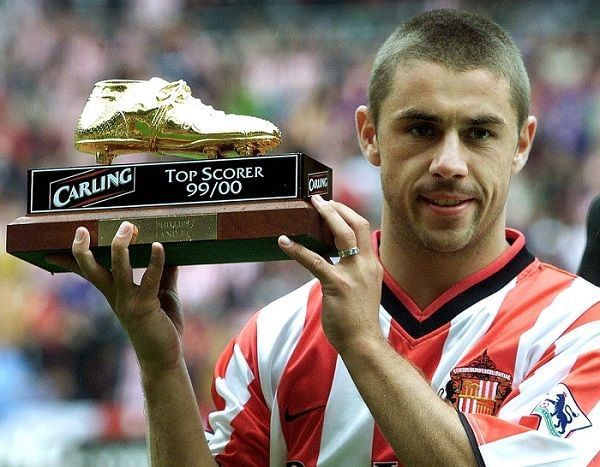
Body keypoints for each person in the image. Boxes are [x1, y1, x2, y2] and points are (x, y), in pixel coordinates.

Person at [50, 9, 600, 466]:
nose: (449, 162)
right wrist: (161, 364)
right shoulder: (274, 337)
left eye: (479, 132)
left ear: (523, 144)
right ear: (369, 135)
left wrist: (363, 345)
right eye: (421, 129)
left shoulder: (578, 328)